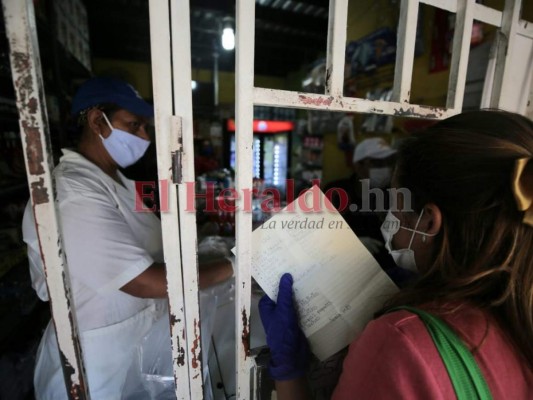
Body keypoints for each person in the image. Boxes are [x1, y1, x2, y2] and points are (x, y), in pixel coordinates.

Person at [260, 110, 533, 399]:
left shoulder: (400, 342)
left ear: (429, 221)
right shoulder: (519, 313)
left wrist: (289, 372)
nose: (389, 216)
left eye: (396, 203)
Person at [22, 77, 233, 399]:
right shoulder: (72, 191)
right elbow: (143, 281)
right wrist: (236, 263)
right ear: (96, 120)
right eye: (134, 125)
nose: (144, 137)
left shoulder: (115, 181)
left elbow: (147, 245)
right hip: (92, 364)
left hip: (136, 347)